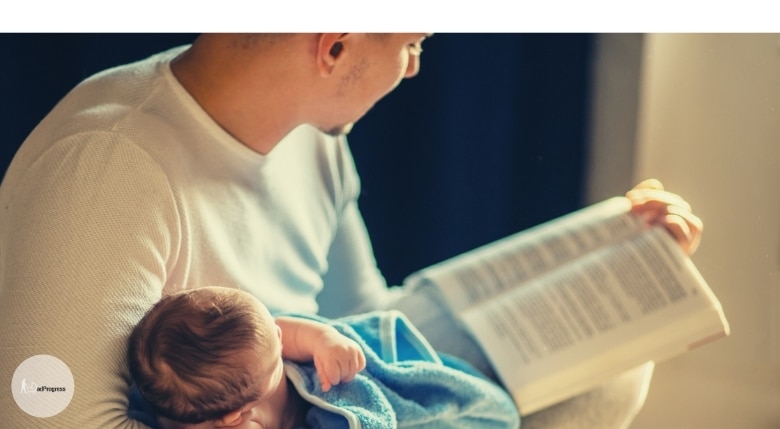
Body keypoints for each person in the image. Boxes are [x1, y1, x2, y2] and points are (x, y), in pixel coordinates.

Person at [0, 34, 702, 429]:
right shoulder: (108, 167)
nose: (415, 65)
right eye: (412, 43)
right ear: (333, 46)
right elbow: (40, 415)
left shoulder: (314, 143)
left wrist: (614, 252)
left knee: (614, 366)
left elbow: (367, 317)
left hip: (313, 392)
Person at [127, 286, 519, 429]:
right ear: (236, 414)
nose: (282, 339)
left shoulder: (255, 343)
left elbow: (289, 329)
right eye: (275, 361)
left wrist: (326, 341)